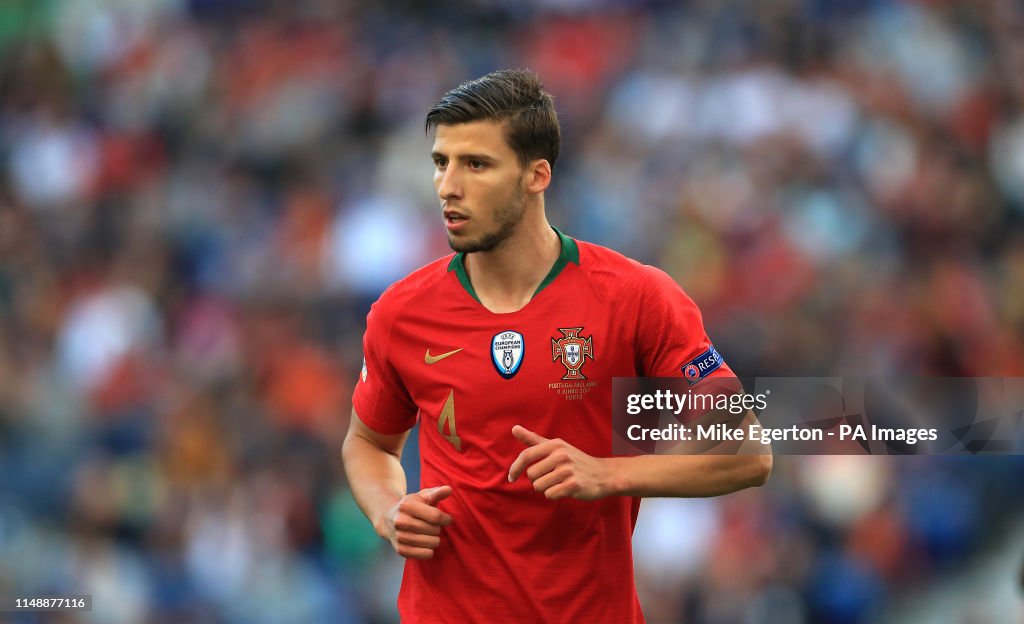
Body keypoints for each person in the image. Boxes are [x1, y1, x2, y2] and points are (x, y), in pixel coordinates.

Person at [341, 69, 772, 623]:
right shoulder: (401, 313)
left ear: (536, 175)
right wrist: (387, 509)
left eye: (476, 164)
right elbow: (369, 444)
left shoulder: (635, 298)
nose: (448, 186)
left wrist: (608, 473)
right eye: (441, 162)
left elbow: (746, 451)